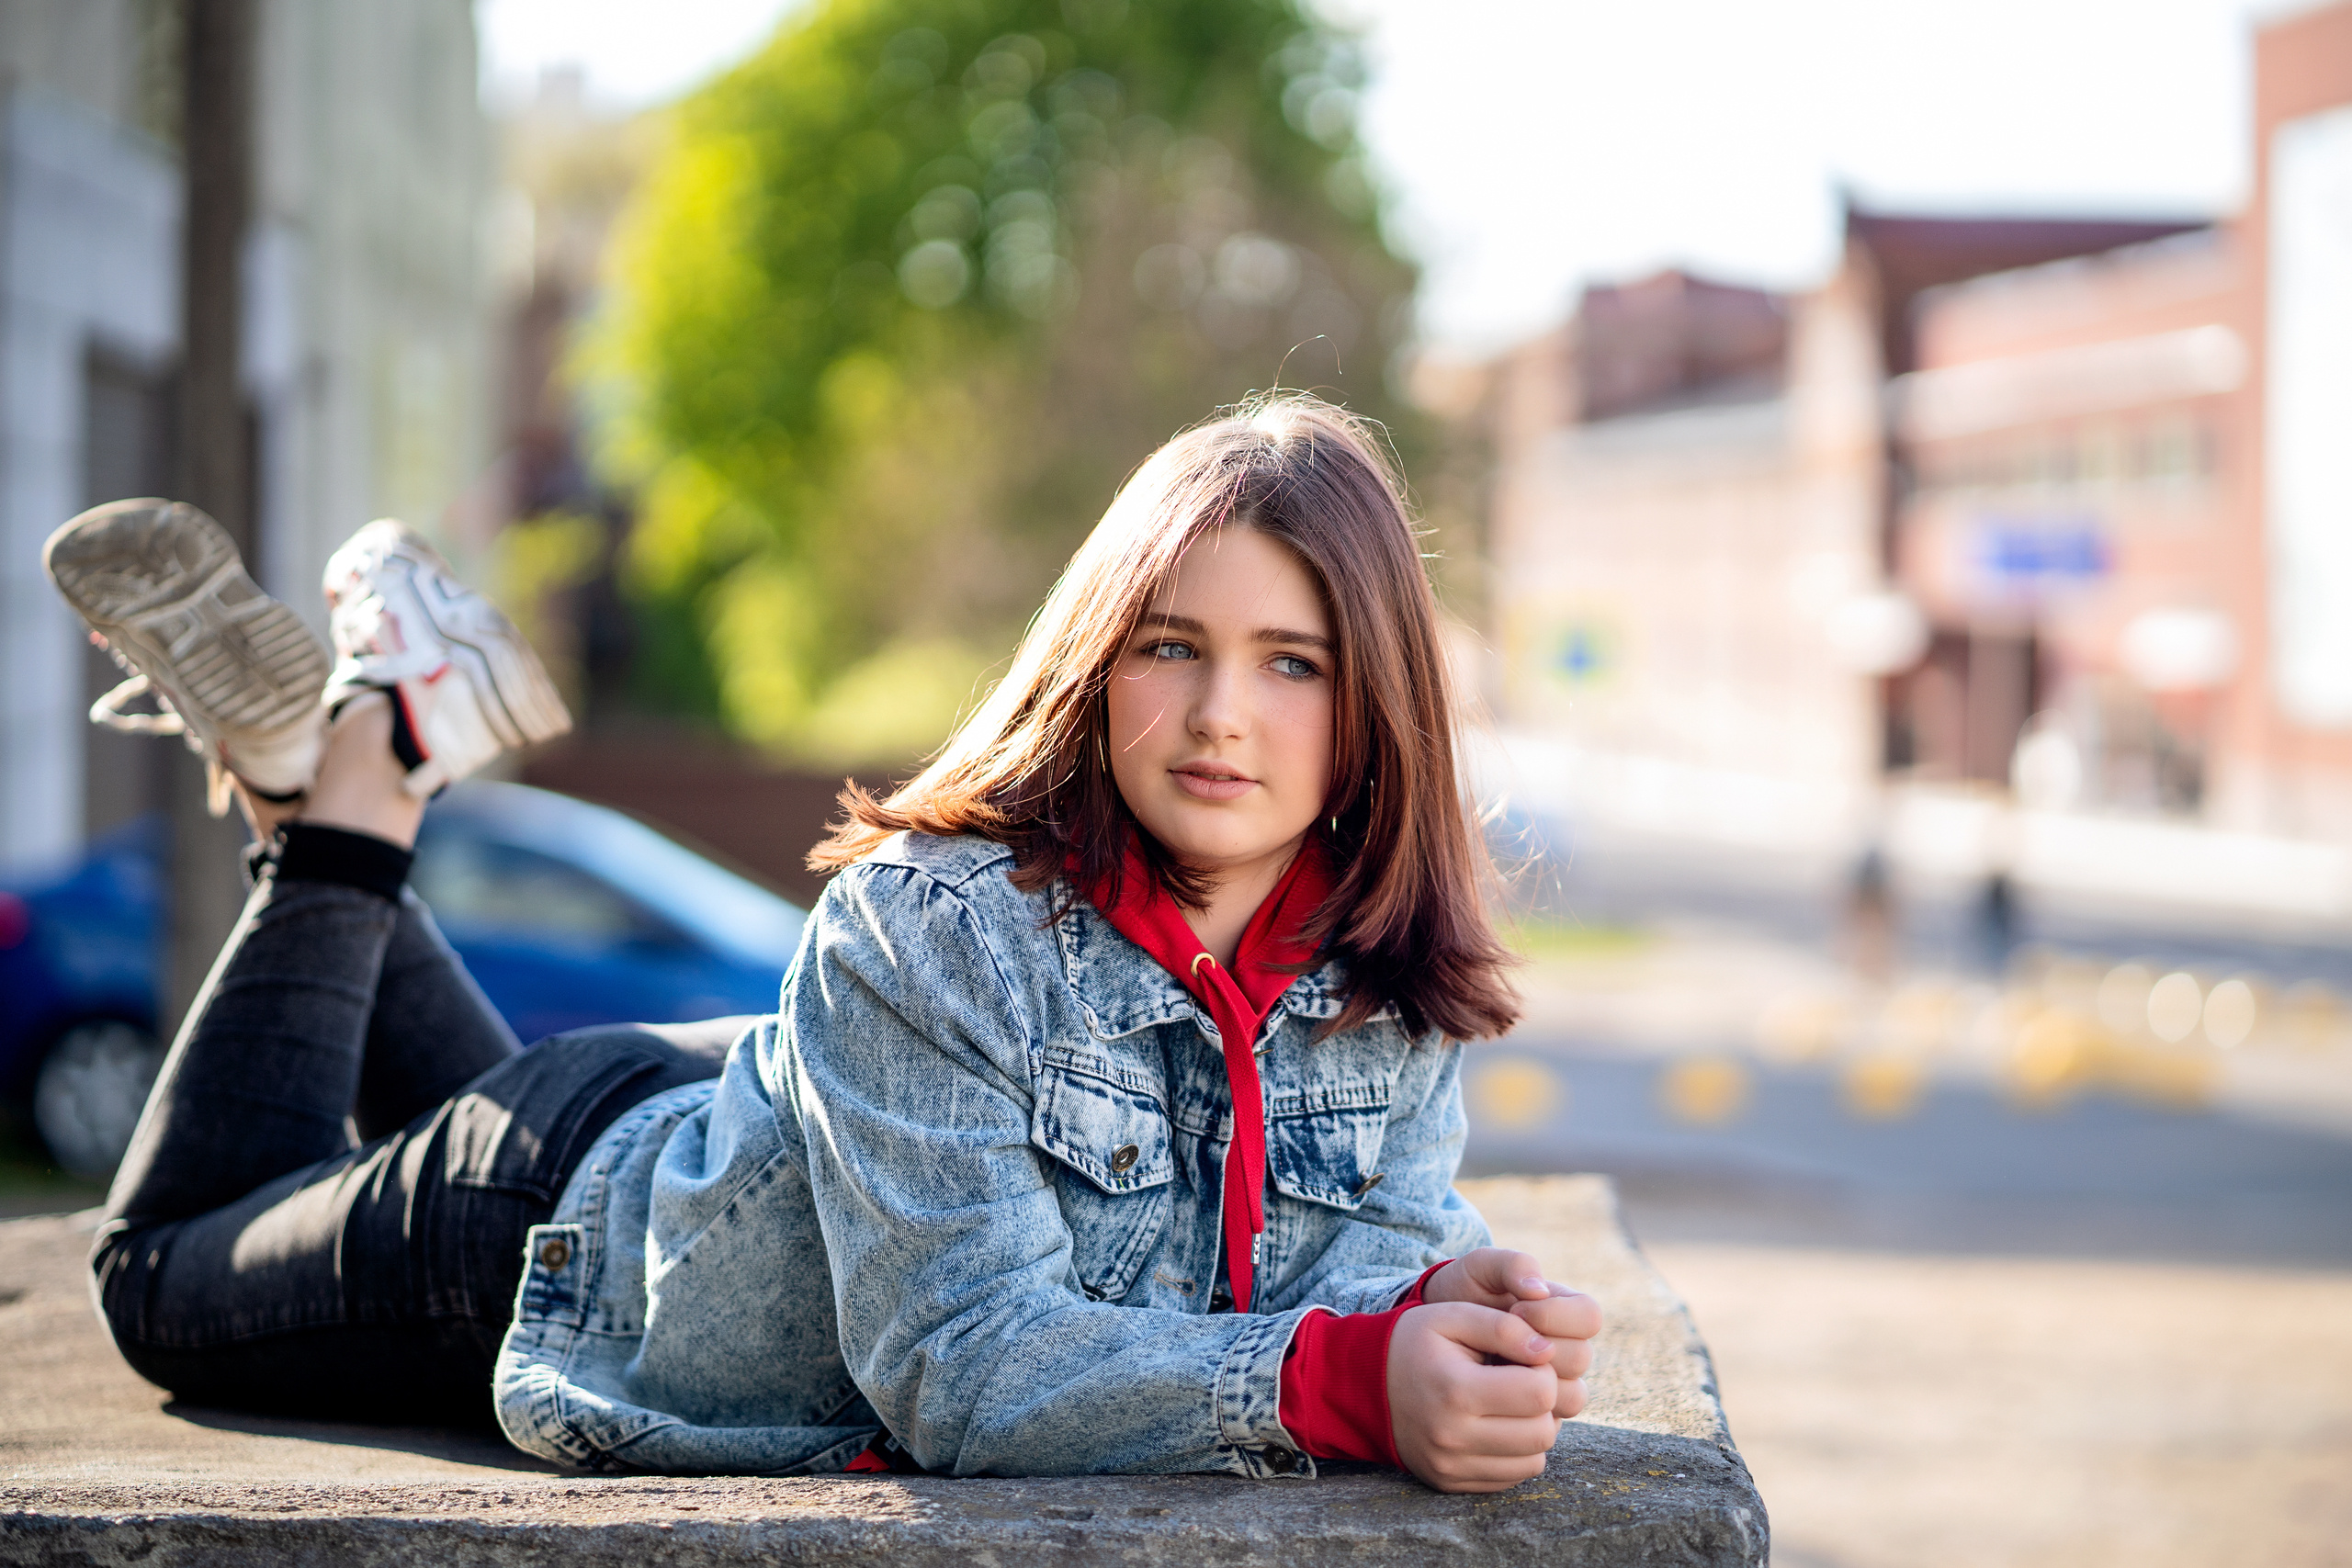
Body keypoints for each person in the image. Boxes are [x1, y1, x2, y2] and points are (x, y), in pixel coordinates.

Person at [47, 395, 1603, 1495]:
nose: (1218, 715)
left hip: (739, 1154)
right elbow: (968, 1360)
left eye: (1294, 665)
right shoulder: (936, 924)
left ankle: (317, 776)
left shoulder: (1387, 990)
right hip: (564, 1236)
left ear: (1377, 702)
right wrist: (1351, 1379)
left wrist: (1463, 1316)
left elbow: (1363, 1270)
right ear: (1097, 660)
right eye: (1172, 646)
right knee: (155, 1283)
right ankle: (355, 781)